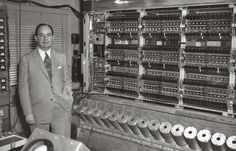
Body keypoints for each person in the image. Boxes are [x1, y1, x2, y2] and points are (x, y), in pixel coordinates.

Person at [18, 23, 73, 137]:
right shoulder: (26, 60)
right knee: (41, 146)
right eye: (41, 35)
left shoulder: (61, 57)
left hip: (61, 108)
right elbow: (23, 90)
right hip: (38, 110)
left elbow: (67, 79)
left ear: (53, 37)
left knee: (63, 146)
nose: (45, 38)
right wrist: (28, 113)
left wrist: (68, 92)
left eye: (48, 35)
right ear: (36, 38)